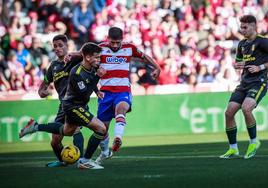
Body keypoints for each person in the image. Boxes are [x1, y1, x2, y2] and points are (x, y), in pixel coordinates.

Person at [19, 42, 107, 169]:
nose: (99, 60)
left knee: (66, 131)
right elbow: (84, 94)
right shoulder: (76, 73)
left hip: (73, 104)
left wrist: (97, 90)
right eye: (97, 57)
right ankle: (85, 161)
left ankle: (35, 127)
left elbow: (89, 84)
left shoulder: (91, 68)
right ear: (87, 57)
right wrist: (98, 77)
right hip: (74, 106)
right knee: (101, 129)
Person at [95, 27, 161, 164]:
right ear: (107, 39)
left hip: (122, 90)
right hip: (105, 93)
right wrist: (71, 55)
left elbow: (144, 57)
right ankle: (105, 152)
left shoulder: (129, 48)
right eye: (112, 42)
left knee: (121, 109)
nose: (114, 45)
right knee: (101, 129)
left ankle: (118, 138)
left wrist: (157, 67)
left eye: (117, 42)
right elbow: (83, 56)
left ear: (122, 40)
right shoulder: (99, 48)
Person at [220, 15, 268, 159]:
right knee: (229, 113)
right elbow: (239, 62)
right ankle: (233, 148)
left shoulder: (263, 41)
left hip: (259, 82)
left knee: (246, 109)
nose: (242, 30)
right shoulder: (241, 44)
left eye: (245, 27)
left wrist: (260, 67)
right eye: (241, 27)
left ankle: (254, 142)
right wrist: (238, 65)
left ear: (253, 26)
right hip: (244, 83)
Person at [38, 34, 84, 167]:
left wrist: (73, 54)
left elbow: (85, 53)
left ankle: (81, 160)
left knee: (75, 130)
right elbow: (44, 85)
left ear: (67, 46)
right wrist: (42, 92)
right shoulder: (53, 66)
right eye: (55, 46)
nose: (57, 48)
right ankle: (62, 161)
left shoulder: (75, 59)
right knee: (55, 141)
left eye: (60, 45)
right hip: (63, 105)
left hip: (76, 102)